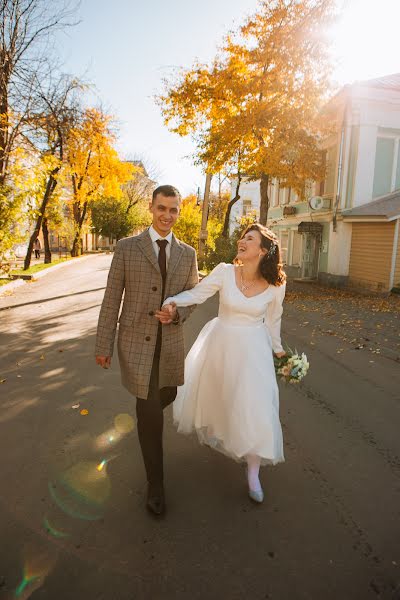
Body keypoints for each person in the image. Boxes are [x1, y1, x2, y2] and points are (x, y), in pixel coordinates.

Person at [156, 223, 286, 504]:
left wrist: (280, 354)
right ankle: (223, 431)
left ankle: (253, 473)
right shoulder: (225, 272)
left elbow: (274, 324)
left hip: (254, 351)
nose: (242, 241)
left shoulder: (276, 286)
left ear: (263, 250)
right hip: (221, 344)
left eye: (250, 239)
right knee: (220, 397)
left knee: (256, 407)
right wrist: (173, 301)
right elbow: (198, 294)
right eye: (242, 237)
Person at [95, 185, 198, 516]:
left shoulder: (188, 254)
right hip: (135, 343)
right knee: (150, 411)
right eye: (161, 208)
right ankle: (156, 486)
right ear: (151, 209)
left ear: (178, 212)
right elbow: (113, 297)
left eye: (173, 210)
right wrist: (103, 343)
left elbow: (193, 295)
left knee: (163, 395)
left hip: (169, 344)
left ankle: (146, 409)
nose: (167, 215)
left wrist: (177, 312)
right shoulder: (127, 248)